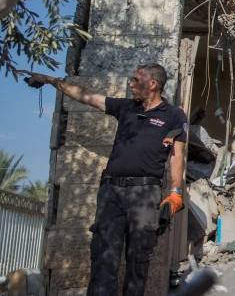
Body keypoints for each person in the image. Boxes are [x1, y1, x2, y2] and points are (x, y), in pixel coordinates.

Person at [27, 64, 187, 296]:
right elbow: (86, 96)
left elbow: (177, 156)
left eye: (135, 80)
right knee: (103, 257)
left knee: (138, 261)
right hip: (111, 192)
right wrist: (51, 80)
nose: (130, 84)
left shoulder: (173, 115)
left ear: (152, 84)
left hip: (145, 195)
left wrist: (175, 193)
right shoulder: (126, 107)